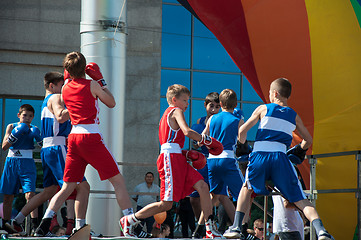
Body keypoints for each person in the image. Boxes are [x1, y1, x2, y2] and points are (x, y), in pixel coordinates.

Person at [34, 52, 138, 237]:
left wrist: (71, 79)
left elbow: (69, 102)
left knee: (67, 187)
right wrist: (102, 81)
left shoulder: (64, 89)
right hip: (90, 137)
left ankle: (44, 223)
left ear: (67, 69)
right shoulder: (93, 85)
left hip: (73, 138)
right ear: (84, 68)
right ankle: (131, 223)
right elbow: (112, 103)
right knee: (118, 181)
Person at [223, 78, 334, 240]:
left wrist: (242, 147)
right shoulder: (293, 115)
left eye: (269, 92)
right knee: (301, 199)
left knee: (246, 189)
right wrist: (298, 151)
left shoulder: (263, 108)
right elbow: (308, 140)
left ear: (274, 93)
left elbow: (242, 131)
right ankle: (322, 231)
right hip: (281, 158)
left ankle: (236, 228)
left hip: (260, 155)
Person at [119, 84, 224, 238]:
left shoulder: (167, 115)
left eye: (188, 101)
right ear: (174, 100)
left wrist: (185, 153)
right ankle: (130, 220)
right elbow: (187, 131)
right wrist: (207, 140)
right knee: (166, 204)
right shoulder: (176, 111)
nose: (187, 103)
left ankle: (209, 228)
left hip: (177, 158)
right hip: (170, 160)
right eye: (185, 100)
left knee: (202, 186)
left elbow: (171, 141)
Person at [6, 72, 90, 237]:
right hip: (58, 148)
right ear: (52, 85)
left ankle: (17, 220)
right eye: (61, 85)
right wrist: (79, 103)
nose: (64, 89)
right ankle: (73, 227)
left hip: (48, 149)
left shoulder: (45, 101)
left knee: (49, 190)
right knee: (83, 187)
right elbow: (60, 117)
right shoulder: (56, 98)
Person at [202, 89, 245, 232]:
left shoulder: (212, 118)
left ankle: (200, 229)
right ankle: (242, 228)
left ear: (220, 103)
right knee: (243, 193)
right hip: (228, 159)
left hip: (212, 160)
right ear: (236, 103)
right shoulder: (236, 119)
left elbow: (203, 137)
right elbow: (242, 140)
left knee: (214, 196)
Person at [0, 104, 42, 235]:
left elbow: (42, 148)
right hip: (11, 162)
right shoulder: (11, 127)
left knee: (31, 195)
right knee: (8, 196)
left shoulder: (34, 129)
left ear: (33, 117)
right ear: (19, 115)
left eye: (30, 116)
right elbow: (4, 147)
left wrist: (39, 139)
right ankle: (6, 225)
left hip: (27, 163)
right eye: (25, 115)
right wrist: (14, 135)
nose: (27, 118)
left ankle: (35, 226)